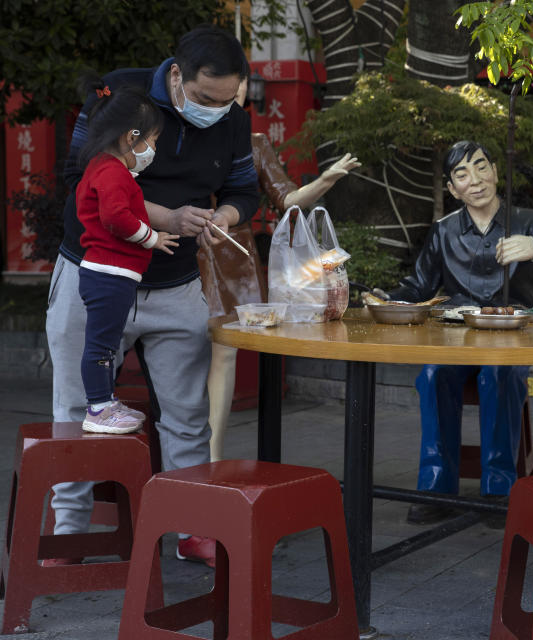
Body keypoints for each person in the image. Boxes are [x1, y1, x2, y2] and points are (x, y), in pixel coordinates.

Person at [46, 25, 258, 568]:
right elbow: (79, 181)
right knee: (78, 408)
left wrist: (223, 217)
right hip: (95, 274)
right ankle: (68, 533)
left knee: (188, 415)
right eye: (207, 98)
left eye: (228, 99)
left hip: (176, 282)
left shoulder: (232, 119)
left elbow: (243, 189)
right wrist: (164, 217)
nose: (217, 110)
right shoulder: (121, 95)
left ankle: (193, 527)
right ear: (176, 77)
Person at [382, 140, 533, 525]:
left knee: (499, 374)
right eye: (462, 174)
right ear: (452, 188)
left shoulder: (528, 220)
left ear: (495, 171)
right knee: (433, 373)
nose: (475, 180)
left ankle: (499, 488)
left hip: (511, 338)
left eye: (481, 168)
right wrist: (387, 299)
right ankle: (435, 487)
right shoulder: (443, 231)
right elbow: (417, 287)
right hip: (455, 339)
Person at [202, 77, 360, 462]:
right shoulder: (180, 134)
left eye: (239, 81)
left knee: (224, 354)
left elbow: (286, 198)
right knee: (179, 354)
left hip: (233, 259)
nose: (236, 89)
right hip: (180, 250)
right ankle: (184, 452)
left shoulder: (255, 143)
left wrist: (325, 180)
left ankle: (212, 455)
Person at [74, 82, 179, 434]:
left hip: (109, 273)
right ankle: (99, 408)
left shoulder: (102, 167)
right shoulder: (112, 172)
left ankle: (103, 402)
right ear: (130, 137)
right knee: (102, 346)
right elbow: (116, 218)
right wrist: (152, 238)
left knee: (105, 343)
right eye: (153, 139)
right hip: (110, 274)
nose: (153, 148)